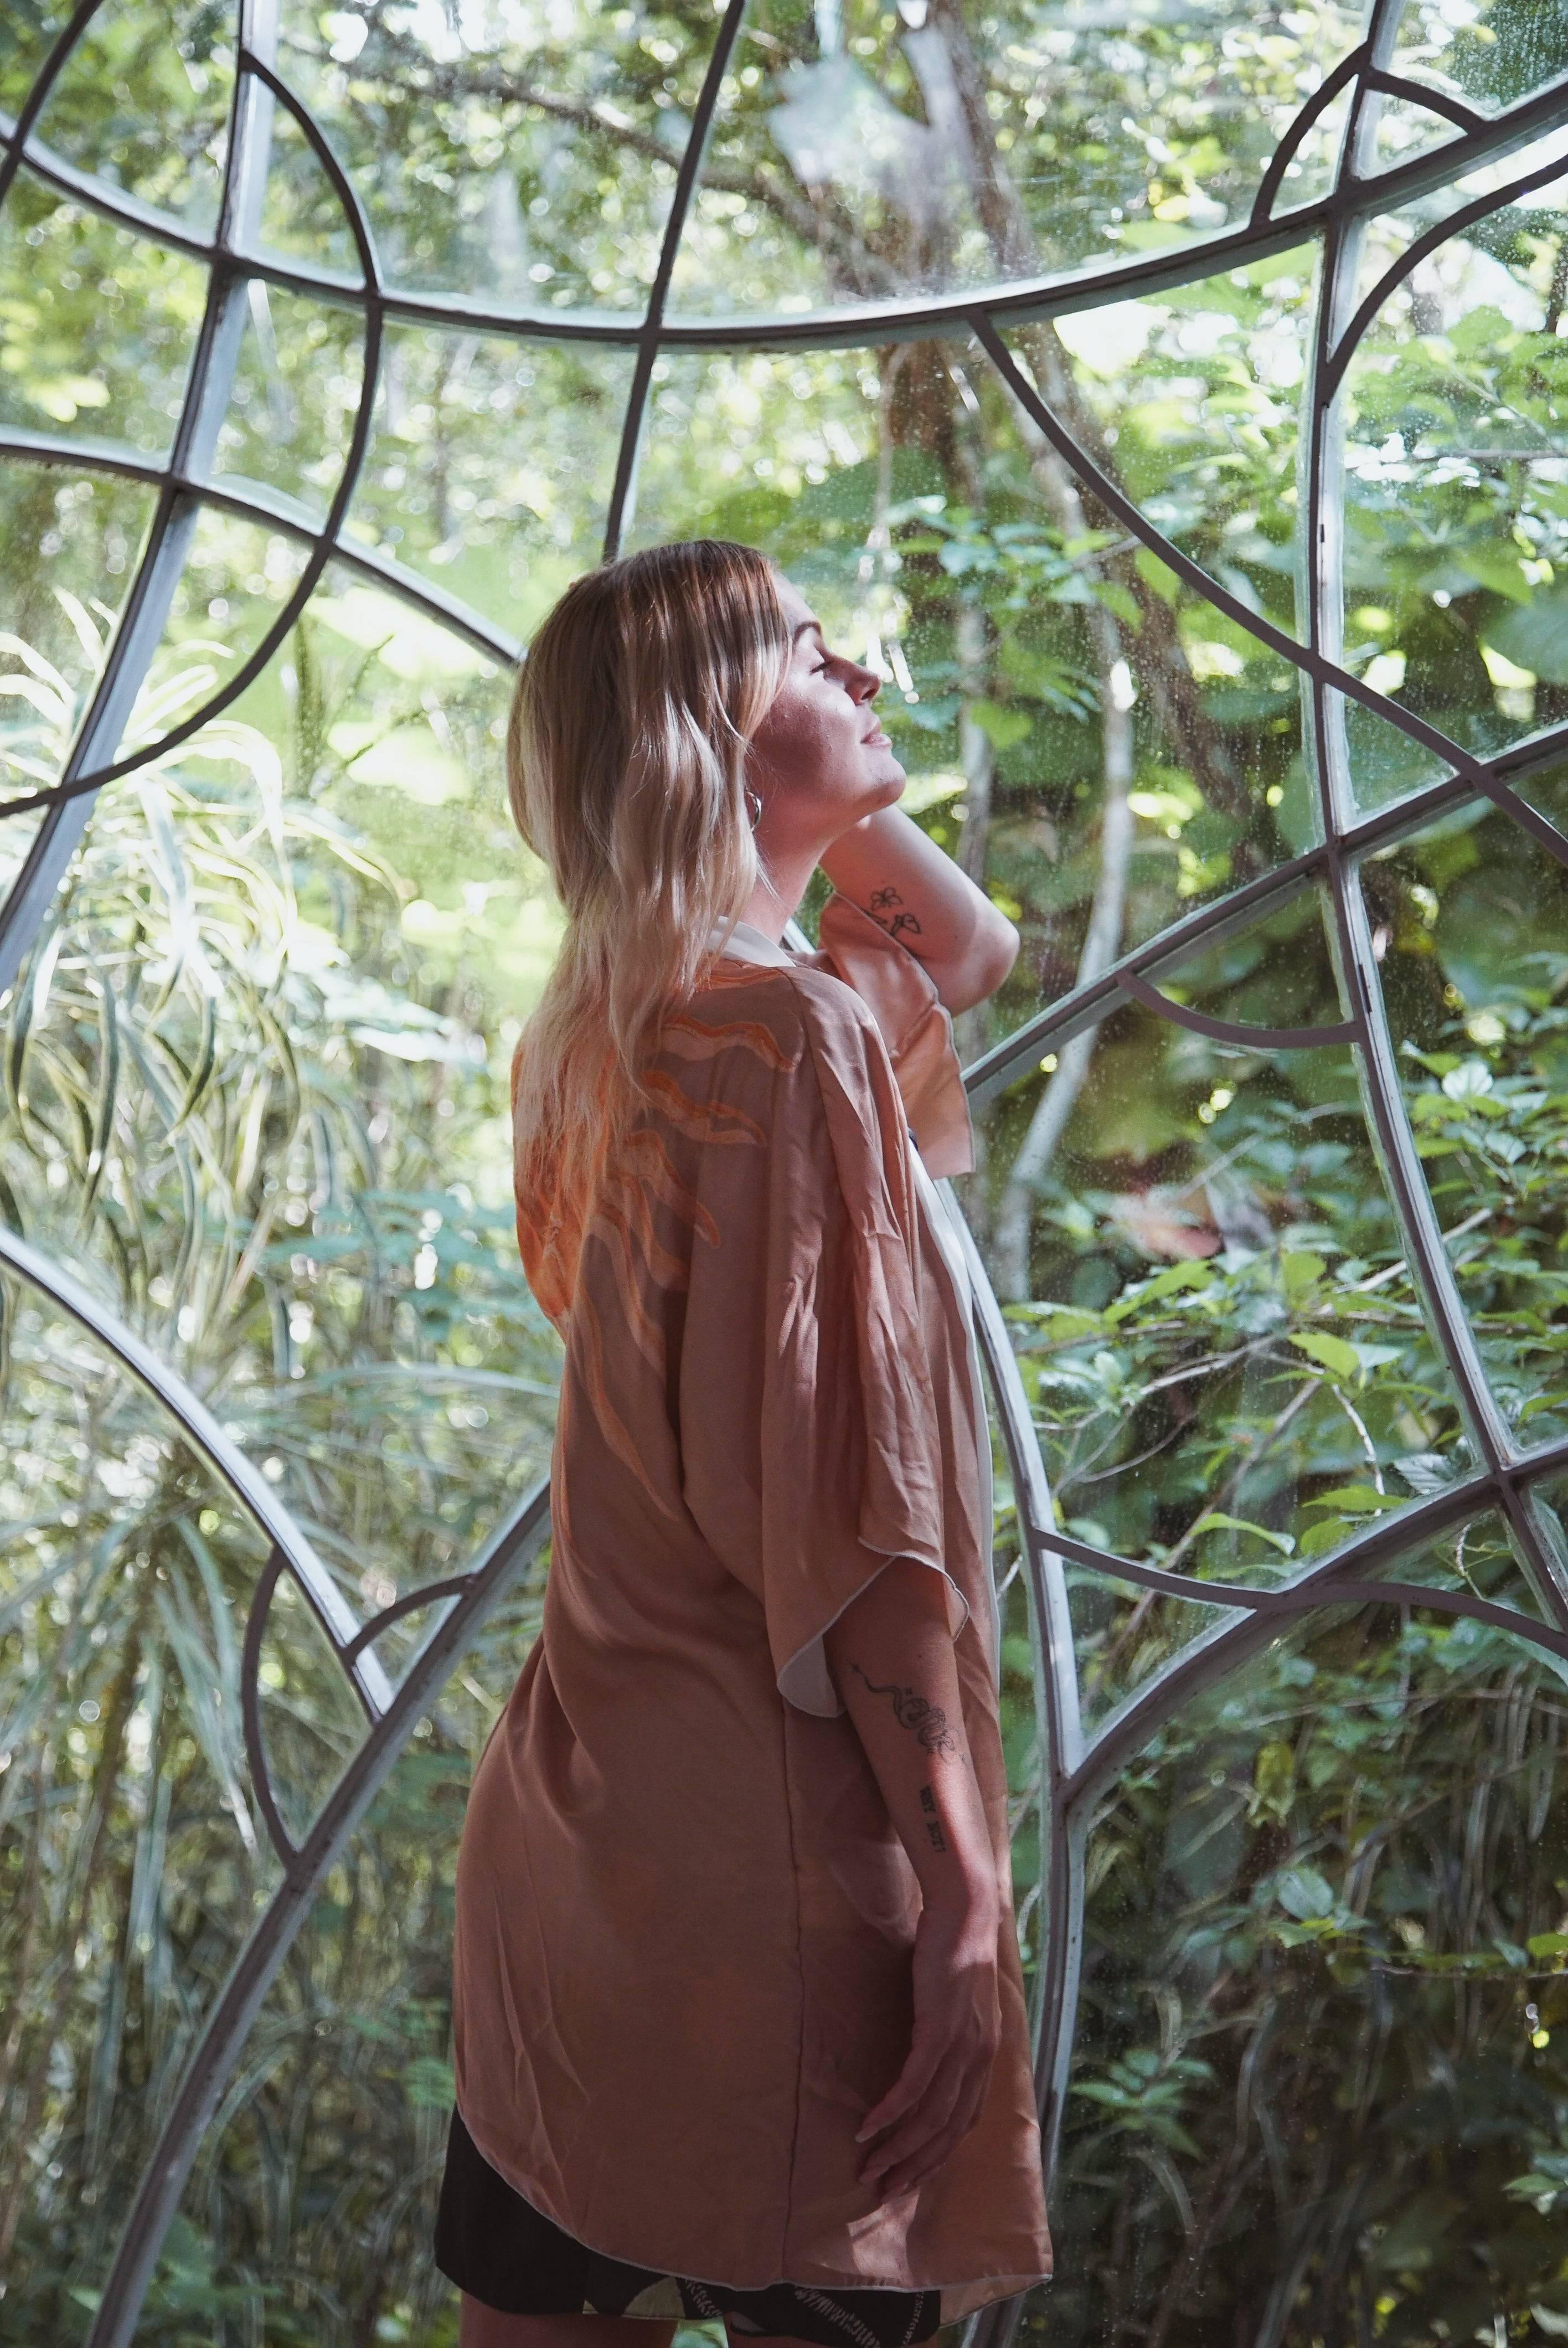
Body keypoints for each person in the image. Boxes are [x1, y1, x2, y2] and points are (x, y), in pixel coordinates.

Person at [435, 539, 1053, 2348]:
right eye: (809, 646)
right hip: (768, 1879)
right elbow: (847, 1518)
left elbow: (979, 954)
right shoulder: (784, 1038)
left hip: (578, 1832)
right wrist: (959, 1883)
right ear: (714, 730)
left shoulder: (623, 1021)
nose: (866, 665)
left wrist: (824, 755)